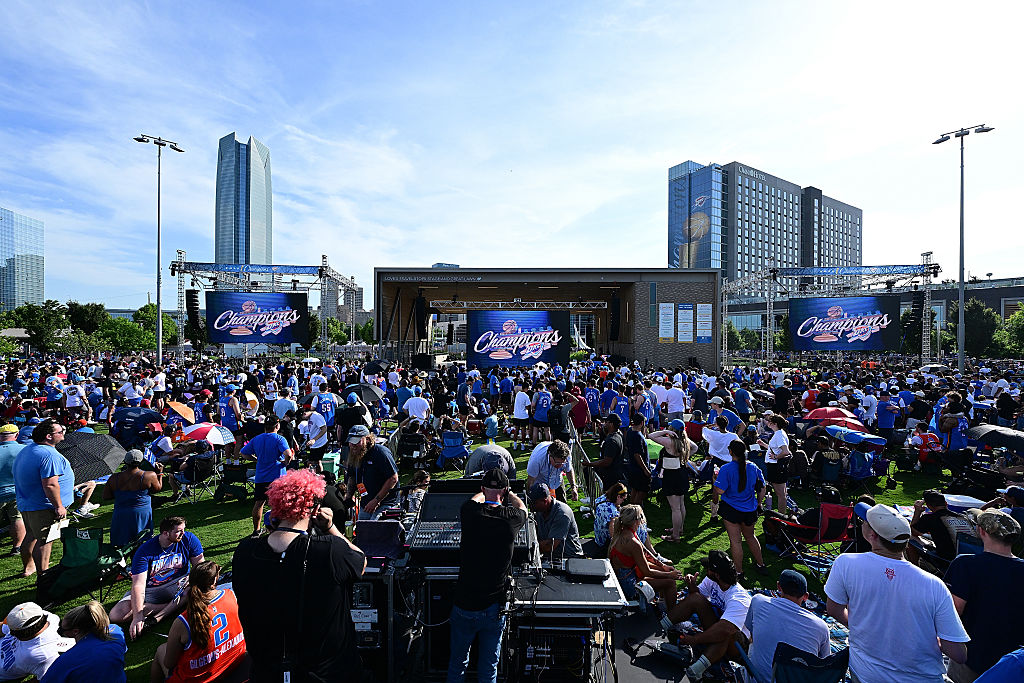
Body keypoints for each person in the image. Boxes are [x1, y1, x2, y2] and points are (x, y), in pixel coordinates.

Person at [233, 468, 365, 682]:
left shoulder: (245, 552)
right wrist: (331, 528)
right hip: (327, 672)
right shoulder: (331, 550)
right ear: (314, 509)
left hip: (266, 670)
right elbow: (361, 561)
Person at [825, 503, 969, 683]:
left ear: (872, 535)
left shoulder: (845, 563)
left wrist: (863, 629)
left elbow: (834, 610)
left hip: (865, 675)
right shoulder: (934, 585)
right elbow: (958, 653)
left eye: (864, 522)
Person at [447, 469, 527, 683]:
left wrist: (486, 492)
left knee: (457, 663)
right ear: (504, 490)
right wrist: (508, 493)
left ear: (482, 488)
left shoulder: (469, 512)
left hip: (464, 603)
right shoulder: (511, 519)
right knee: (489, 666)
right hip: (493, 607)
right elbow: (522, 508)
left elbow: (475, 500)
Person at [944, 510, 1024, 682]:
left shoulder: (965, 565)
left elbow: (952, 614)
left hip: (972, 659)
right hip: (1014, 663)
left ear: (981, 531)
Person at [659, 550, 751, 680]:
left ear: (717, 575)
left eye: (708, 568)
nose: (706, 571)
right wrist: (692, 587)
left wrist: (695, 639)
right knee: (696, 598)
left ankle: (696, 670)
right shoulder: (712, 580)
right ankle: (661, 626)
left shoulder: (739, 599)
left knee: (727, 633)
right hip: (719, 625)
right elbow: (698, 597)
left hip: (738, 645)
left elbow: (725, 629)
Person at [109, 516, 205, 639]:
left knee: (194, 589)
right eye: (178, 531)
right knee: (116, 614)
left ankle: (160, 614)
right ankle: (174, 605)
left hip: (179, 583)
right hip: (152, 590)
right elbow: (138, 585)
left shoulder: (189, 539)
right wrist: (138, 617)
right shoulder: (145, 551)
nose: (183, 533)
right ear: (165, 533)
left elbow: (200, 567)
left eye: (183, 530)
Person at [151, 560, 247, 683]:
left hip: (203, 678)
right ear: (213, 584)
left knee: (161, 650)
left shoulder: (184, 621)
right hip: (233, 662)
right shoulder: (231, 596)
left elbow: (169, 663)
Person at [744, 569, 830, 683]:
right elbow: (824, 663)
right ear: (805, 596)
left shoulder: (758, 601)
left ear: (779, 586)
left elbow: (751, 632)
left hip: (757, 678)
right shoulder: (821, 627)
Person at [12, 419, 73, 574]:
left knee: (31, 536)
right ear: (48, 436)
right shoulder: (48, 455)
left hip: (28, 503)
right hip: (43, 506)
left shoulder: (28, 449)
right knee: (45, 540)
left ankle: (29, 567)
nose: (63, 435)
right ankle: (43, 575)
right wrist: (59, 506)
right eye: (60, 432)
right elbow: (50, 484)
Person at [608, 504, 681, 610]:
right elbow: (647, 572)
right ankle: (673, 617)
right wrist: (670, 575)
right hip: (628, 585)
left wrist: (662, 566)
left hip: (624, 575)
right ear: (637, 521)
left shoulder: (623, 532)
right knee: (670, 582)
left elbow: (645, 552)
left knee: (662, 572)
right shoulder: (633, 543)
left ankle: (662, 606)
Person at [712, 440, 768, 577]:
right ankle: (761, 565)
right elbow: (762, 487)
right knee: (751, 537)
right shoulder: (753, 467)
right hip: (749, 510)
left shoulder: (726, 469)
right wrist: (759, 504)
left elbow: (719, 491)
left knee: (736, 541)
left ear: (730, 451)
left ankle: (738, 571)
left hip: (731, 510)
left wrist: (715, 479)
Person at [38, 601, 126, 683]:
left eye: (62, 630)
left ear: (75, 631)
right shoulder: (116, 632)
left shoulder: (65, 661)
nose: (60, 631)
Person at [239, 416, 294, 537]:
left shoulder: (257, 439)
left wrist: (256, 460)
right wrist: (285, 463)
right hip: (277, 477)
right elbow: (288, 454)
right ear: (277, 426)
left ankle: (256, 530)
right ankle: (280, 527)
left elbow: (243, 453)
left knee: (259, 503)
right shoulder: (280, 439)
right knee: (280, 503)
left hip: (261, 477)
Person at [0, 602, 75, 681]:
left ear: (19, 635)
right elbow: (2, 627)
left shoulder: (41, 655)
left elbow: (48, 678)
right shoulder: (40, 616)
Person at [102, 449, 163, 547]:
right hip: (141, 514)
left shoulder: (114, 478)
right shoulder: (149, 475)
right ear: (141, 461)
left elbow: (106, 496)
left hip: (121, 514)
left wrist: (122, 495)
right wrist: (160, 474)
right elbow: (157, 489)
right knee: (142, 542)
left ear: (125, 461)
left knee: (121, 545)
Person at [648, 419, 695, 542]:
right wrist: (686, 457)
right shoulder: (685, 441)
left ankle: (675, 536)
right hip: (682, 474)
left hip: (672, 476)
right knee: (681, 504)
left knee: (675, 508)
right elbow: (694, 448)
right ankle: (678, 528)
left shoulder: (670, 442)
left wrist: (666, 431)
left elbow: (650, 435)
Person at [907, 489, 974, 566]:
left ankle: (915, 568)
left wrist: (917, 511)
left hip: (946, 560)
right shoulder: (963, 517)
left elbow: (912, 532)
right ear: (946, 503)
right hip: (969, 559)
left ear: (928, 506)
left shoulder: (930, 518)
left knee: (909, 537)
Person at [346, 424, 398, 520]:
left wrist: (375, 501)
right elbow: (352, 476)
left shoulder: (380, 453)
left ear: (368, 439)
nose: (353, 445)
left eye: (357, 442)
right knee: (362, 529)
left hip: (385, 502)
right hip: (366, 502)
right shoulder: (354, 454)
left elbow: (393, 478)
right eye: (351, 442)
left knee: (374, 528)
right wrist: (348, 497)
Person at [0, 423, 32, 576]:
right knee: (16, 518)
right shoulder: (23, 450)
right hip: (16, 490)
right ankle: (17, 546)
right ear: (17, 435)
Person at [528, 483, 583, 559]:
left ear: (545, 501)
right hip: (551, 557)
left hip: (569, 559)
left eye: (534, 503)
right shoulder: (540, 510)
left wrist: (528, 547)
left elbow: (549, 546)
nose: (531, 507)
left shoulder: (562, 514)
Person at [756, 415, 791, 513]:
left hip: (776, 467)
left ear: (774, 424)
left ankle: (781, 516)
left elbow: (785, 451)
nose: (767, 422)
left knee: (781, 494)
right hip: (776, 466)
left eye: (769, 421)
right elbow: (776, 449)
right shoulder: (779, 433)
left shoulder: (779, 434)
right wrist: (764, 445)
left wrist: (776, 457)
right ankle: (782, 515)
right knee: (782, 494)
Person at [580, 414, 624, 486]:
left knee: (608, 495)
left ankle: (593, 496)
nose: (604, 424)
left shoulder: (611, 441)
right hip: (613, 472)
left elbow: (607, 462)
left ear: (611, 424)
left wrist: (590, 464)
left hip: (610, 475)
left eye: (606, 422)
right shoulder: (618, 435)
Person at [623, 413, 653, 505]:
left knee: (634, 490)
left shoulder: (629, 431)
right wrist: (645, 469)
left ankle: (630, 510)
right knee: (641, 492)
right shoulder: (638, 436)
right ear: (642, 422)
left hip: (632, 466)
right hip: (639, 470)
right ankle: (635, 511)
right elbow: (637, 455)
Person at [297, 406, 329, 473]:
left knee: (311, 462)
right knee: (316, 462)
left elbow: (324, 429)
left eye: (302, 418)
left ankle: (316, 476)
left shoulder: (316, 416)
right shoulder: (310, 417)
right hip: (314, 444)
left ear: (304, 414)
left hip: (320, 443)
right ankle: (319, 476)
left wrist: (314, 439)